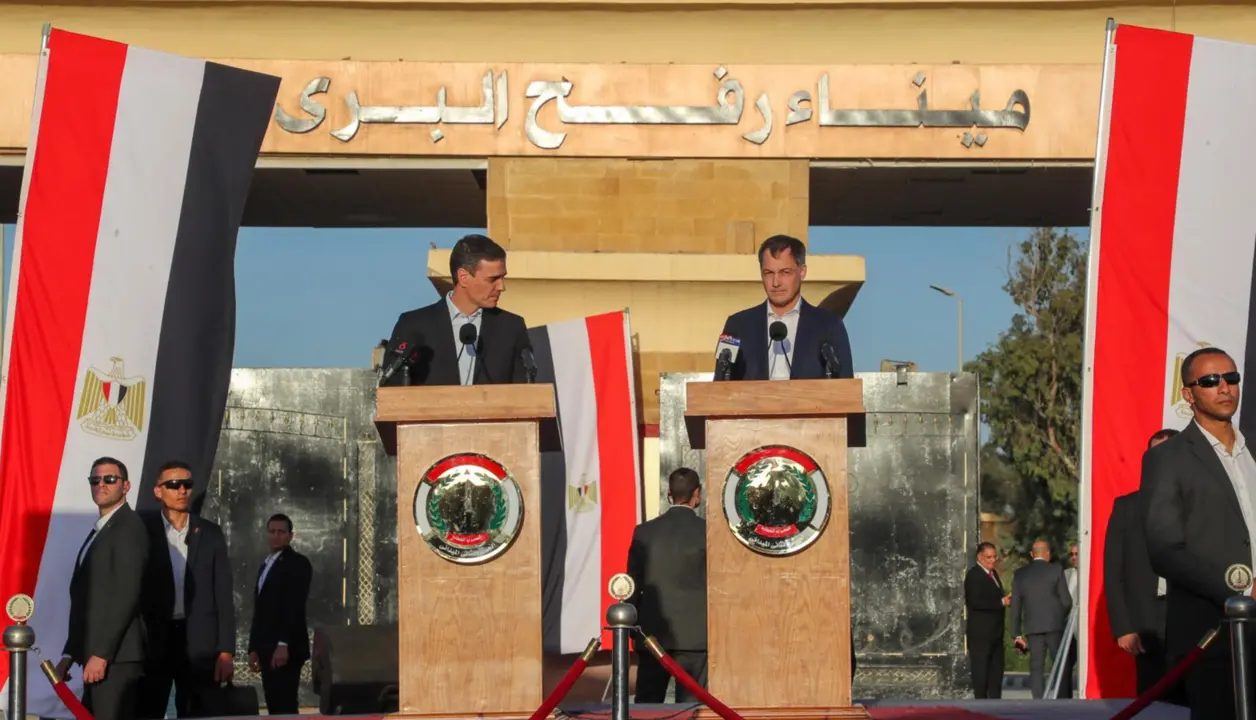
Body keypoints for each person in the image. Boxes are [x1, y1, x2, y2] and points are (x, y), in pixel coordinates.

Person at [1142, 347, 1253, 720]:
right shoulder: (1168, 458)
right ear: (1188, 394)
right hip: (1213, 634)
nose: (1224, 387)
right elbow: (1164, 549)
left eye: (1231, 378)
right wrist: (1240, 593)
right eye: (1209, 381)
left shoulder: (1252, 450)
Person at [137, 461, 236, 718]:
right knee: (149, 708)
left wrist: (225, 651)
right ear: (158, 491)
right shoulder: (143, 531)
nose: (182, 490)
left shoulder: (210, 533)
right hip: (156, 640)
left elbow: (223, 595)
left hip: (199, 644)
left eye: (187, 485)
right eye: (173, 484)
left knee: (196, 711)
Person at [56, 457, 150, 720]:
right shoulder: (102, 529)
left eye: (110, 479)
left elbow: (125, 595)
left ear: (126, 485)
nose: (101, 485)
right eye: (95, 480)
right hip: (99, 657)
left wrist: (101, 653)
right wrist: (70, 653)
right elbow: (89, 600)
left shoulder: (128, 528)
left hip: (116, 660)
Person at [380, 234, 531, 386]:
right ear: (463, 277)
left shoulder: (511, 327)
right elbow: (391, 389)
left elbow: (524, 391)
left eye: (503, 278)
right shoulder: (414, 326)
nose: (501, 287)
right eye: (492, 279)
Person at [713, 235, 853, 382]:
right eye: (769, 273)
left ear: (802, 272)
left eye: (785, 272)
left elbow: (847, 387)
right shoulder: (737, 326)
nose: (776, 282)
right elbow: (720, 384)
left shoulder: (829, 326)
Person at [1105, 428, 1179, 698]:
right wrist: (1124, 628)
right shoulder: (1126, 507)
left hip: (1190, 617)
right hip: (1147, 623)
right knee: (1153, 699)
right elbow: (1113, 572)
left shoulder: (1200, 504)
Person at [626, 468, 707, 703]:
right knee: (691, 709)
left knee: (648, 705)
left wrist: (631, 627)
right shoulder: (707, 532)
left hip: (652, 634)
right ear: (697, 493)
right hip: (696, 636)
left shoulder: (644, 532)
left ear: (668, 494)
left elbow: (631, 583)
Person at [248, 513, 313, 714]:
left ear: (290, 536)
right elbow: (260, 610)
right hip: (266, 648)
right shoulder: (266, 564)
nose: (276, 536)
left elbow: (294, 606)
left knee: (285, 704)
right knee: (274, 704)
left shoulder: (298, 563)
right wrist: (253, 647)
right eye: (272, 531)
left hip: (286, 649)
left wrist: (283, 644)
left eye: (281, 532)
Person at [1009, 540, 1073, 699]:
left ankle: (1038, 701)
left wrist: (1016, 634)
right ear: (1047, 554)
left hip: (1032, 627)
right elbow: (1067, 601)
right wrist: (1059, 618)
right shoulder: (1056, 570)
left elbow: (1015, 606)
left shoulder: (1020, 574)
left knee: (1036, 667)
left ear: (1031, 555)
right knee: (1060, 665)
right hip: (1055, 626)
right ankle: (1063, 699)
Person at [963, 542, 1009, 699]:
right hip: (981, 635)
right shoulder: (974, 575)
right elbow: (975, 602)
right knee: (981, 672)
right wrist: (1001, 602)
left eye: (994, 557)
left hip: (995, 634)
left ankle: (995, 704)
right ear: (980, 557)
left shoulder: (993, 574)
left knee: (996, 672)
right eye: (988, 557)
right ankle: (981, 704)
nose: (992, 560)